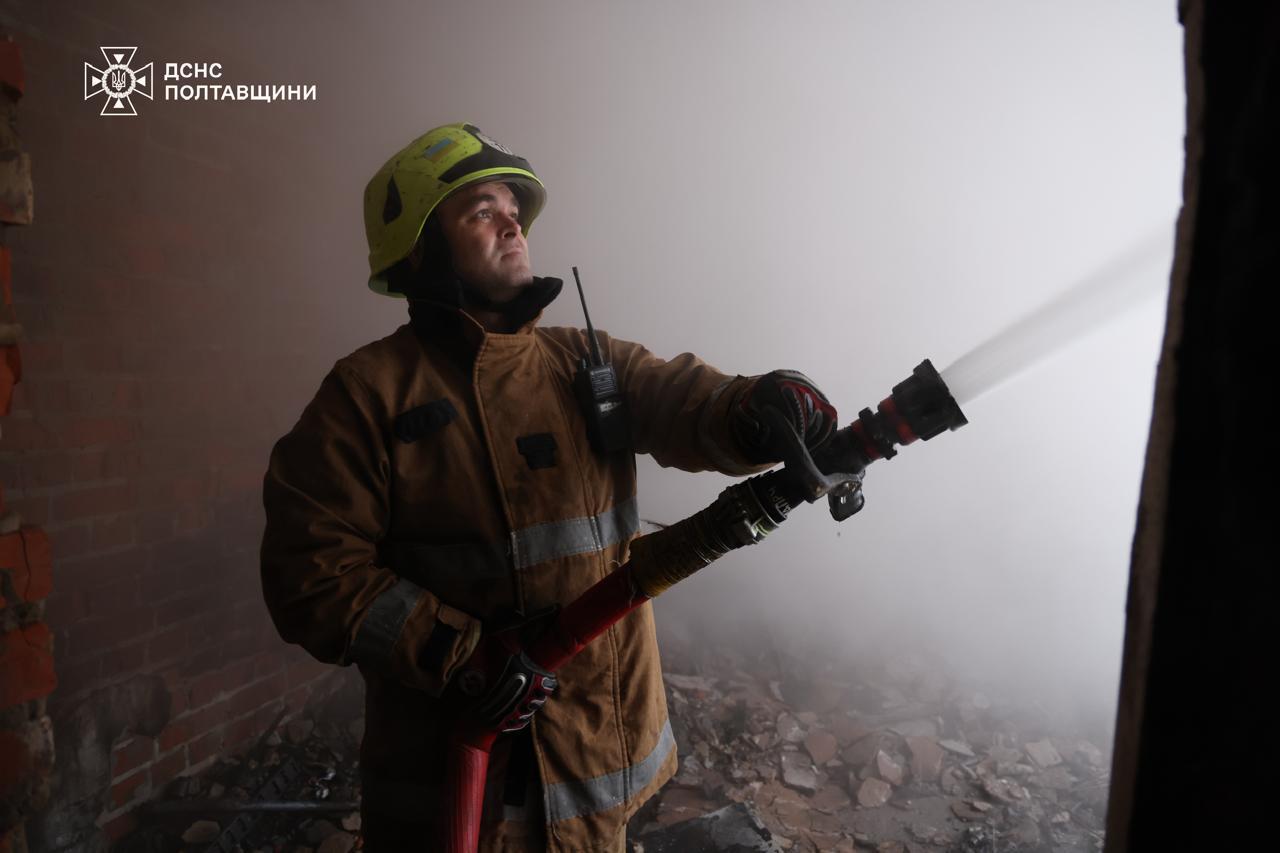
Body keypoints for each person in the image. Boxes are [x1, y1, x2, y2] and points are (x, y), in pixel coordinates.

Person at [260, 122, 838, 852]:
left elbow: (686, 400)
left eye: (513, 209)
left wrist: (759, 407)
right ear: (422, 248)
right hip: (457, 790)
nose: (512, 225)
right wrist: (459, 655)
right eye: (481, 211)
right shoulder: (366, 395)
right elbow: (310, 572)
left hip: (597, 766)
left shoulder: (584, 362)